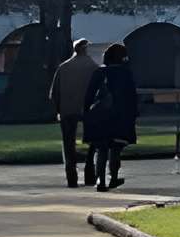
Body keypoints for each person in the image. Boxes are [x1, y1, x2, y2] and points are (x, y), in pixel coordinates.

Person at [83, 41, 139, 190]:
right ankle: (113, 177)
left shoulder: (99, 73)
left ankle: (100, 181)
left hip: (100, 115)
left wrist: (86, 113)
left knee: (101, 149)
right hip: (119, 116)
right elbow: (131, 97)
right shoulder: (125, 74)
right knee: (115, 148)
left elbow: (89, 95)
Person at [48, 37, 100, 187]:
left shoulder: (63, 67)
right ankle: (90, 174)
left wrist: (58, 109)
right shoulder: (93, 67)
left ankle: (71, 176)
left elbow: (54, 93)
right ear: (86, 49)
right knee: (94, 142)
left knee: (68, 143)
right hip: (89, 110)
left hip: (67, 110)